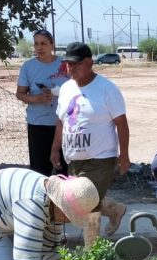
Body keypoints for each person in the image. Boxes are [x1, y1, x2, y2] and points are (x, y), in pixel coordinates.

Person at [50, 42, 129, 238]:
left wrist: (124, 155)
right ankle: (114, 209)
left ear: (89, 63)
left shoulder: (107, 89)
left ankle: (91, 249)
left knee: (86, 202)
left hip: (101, 157)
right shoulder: (66, 88)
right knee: (78, 200)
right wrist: (55, 148)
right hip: (74, 158)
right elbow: (61, 121)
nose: (70, 69)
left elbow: (121, 123)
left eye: (75, 64)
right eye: (68, 64)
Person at [16, 29, 68, 176]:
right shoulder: (28, 67)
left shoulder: (65, 65)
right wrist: (36, 99)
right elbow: (20, 94)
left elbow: (77, 89)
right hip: (38, 124)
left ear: (52, 45)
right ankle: (40, 198)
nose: (39, 47)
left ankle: (63, 198)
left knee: (64, 169)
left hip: (62, 124)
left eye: (43, 43)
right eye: (36, 44)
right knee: (39, 171)